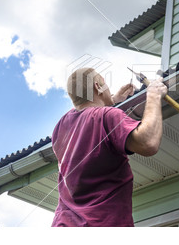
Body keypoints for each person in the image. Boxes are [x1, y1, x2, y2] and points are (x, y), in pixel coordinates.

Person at [51, 68, 167, 227]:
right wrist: (153, 96)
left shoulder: (60, 128)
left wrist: (112, 99)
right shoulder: (107, 116)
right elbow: (148, 143)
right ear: (98, 86)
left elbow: (86, 113)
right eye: (105, 85)